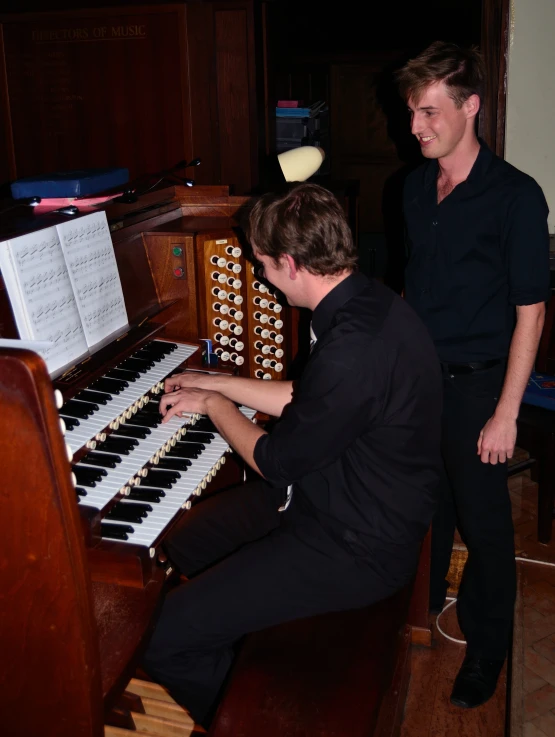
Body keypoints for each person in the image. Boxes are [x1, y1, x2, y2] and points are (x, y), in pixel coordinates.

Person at [142, 182, 442, 727]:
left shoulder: (354, 351)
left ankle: (247, 715)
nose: (258, 275)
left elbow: (274, 461)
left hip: (357, 543)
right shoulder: (364, 302)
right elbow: (308, 400)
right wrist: (219, 381)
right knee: (181, 541)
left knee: (165, 638)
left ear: (290, 262)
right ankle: (234, 646)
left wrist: (212, 402)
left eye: (261, 263)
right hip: (331, 496)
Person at [396, 41, 550, 709]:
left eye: (429, 113)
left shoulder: (514, 196)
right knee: (421, 503)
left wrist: (505, 411)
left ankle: (487, 648)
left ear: (471, 107)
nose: (415, 128)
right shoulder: (408, 187)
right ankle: (417, 610)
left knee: (485, 526)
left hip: (481, 382)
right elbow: (412, 292)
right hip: (419, 379)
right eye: (410, 113)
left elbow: (531, 313)